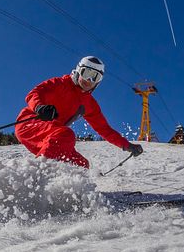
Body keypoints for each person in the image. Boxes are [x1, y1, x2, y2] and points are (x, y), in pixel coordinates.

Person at [14, 56, 143, 168]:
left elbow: (105, 129)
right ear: (78, 70)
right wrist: (39, 108)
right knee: (66, 135)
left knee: (81, 165)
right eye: (87, 73)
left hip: (52, 135)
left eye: (95, 77)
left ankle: (59, 191)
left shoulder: (89, 104)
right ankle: (37, 175)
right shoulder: (61, 83)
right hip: (30, 123)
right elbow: (34, 93)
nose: (89, 80)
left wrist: (127, 145)